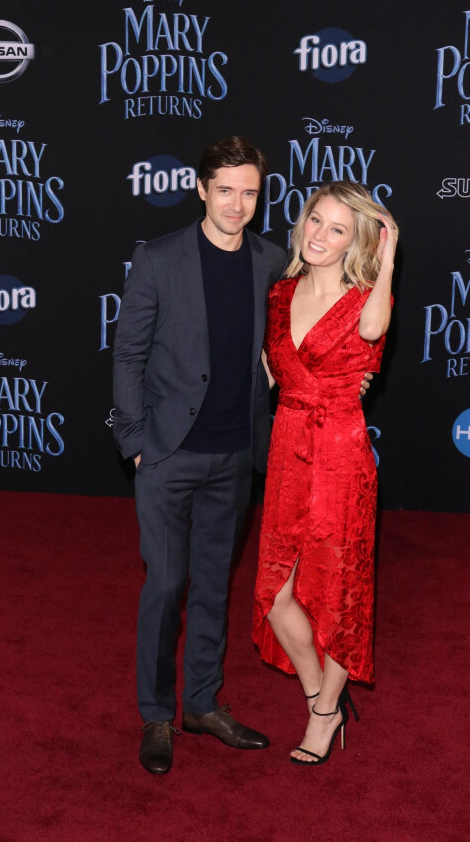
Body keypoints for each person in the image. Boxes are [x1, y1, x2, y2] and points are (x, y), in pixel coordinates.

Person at [112, 136, 287, 774]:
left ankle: (203, 704)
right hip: (166, 455)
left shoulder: (271, 262)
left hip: (235, 454)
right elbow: (127, 356)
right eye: (225, 190)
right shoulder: (157, 260)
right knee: (165, 584)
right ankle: (157, 713)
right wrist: (133, 441)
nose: (237, 205)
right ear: (201, 189)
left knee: (215, 585)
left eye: (249, 192)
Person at [252, 180, 398, 766]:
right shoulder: (280, 293)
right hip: (288, 448)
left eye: (338, 229)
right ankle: (322, 697)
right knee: (274, 593)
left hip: (340, 455)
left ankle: (321, 716)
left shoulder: (367, 298)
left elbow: (371, 333)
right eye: (316, 220)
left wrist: (387, 258)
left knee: (338, 595)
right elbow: (265, 373)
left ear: (353, 242)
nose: (320, 235)